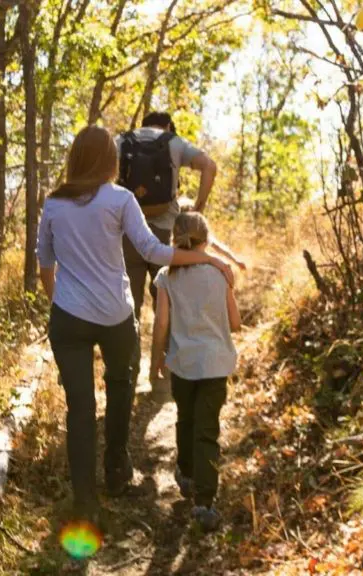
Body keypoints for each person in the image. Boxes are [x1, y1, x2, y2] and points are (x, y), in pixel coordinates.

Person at [36, 125, 233, 523]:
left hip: (69, 319)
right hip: (115, 316)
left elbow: (45, 265)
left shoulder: (54, 204)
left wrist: (61, 301)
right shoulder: (120, 199)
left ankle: (86, 502)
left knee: (79, 406)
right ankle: (116, 469)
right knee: (122, 384)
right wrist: (206, 258)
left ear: (75, 158)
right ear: (112, 161)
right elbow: (154, 251)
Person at [150, 211, 241, 532]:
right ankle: (204, 502)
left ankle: (186, 473)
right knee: (207, 429)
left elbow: (161, 323)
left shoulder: (166, 276)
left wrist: (157, 358)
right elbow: (235, 322)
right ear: (206, 239)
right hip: (215, 364)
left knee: (186, 419)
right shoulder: (221, 274)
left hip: (183, 364)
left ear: (174, 239)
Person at [116, 111, 218, 384]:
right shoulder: (174, 142)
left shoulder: (122, 142)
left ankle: (129, 372)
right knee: (169, 302)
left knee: (130, 304)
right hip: (165, 234)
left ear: (143, 124)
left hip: (128, 234)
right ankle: (165, 372)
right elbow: (210, 166)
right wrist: (198, 209)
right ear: (168, 126)